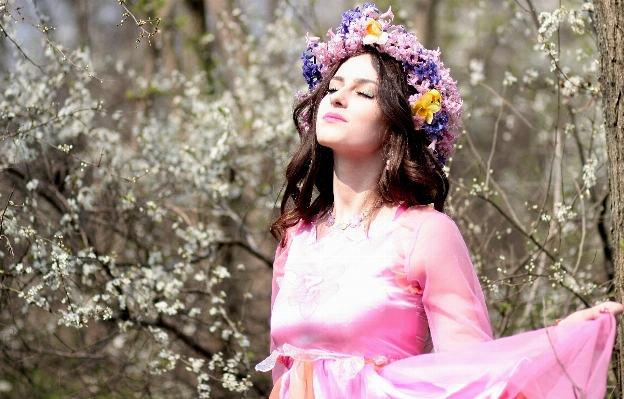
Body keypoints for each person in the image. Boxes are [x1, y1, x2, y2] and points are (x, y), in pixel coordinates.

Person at [256, 4, 622, 398]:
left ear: (400, 121)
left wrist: (557, 346)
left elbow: (472, 371)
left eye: (363, 92)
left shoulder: (424, 234)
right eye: (332, 87)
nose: (338, 98)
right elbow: (281, 376)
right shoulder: (296, 236)